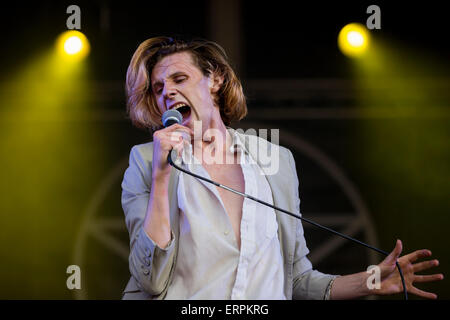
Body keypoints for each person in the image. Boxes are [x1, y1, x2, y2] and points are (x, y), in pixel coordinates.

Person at [120, 36, 443, 299]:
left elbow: (297, 278)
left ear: (215, 79)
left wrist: (370, 281)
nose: (167, 93)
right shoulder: (146, 161)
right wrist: (163, 175)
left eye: (179, 78)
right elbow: (150, 280)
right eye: (158, 88)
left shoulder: (276, 161)